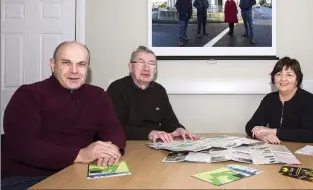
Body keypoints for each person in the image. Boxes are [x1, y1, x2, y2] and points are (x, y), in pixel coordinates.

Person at [1, 41, 126, 190]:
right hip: (29, 177)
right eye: (66, 63)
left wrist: (111, 149)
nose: (74, 71)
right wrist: (80, 155)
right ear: (53, 64)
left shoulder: (98, 95)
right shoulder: (28, 94)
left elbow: (113, 129)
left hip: (78, 172)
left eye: (81, 64)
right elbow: (23, 146)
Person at [106, 46, 200, 142]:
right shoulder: (117, 89)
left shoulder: (159, 90)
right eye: (141, 62)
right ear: (131, 67)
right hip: (127, 144)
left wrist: (179, 129)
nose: (146, 68)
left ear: (155, 70)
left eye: (151, 64)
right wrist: (149, 133)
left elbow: (170, 121)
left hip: (154, 143)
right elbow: (113, 127)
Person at [245, 57, 313, 144]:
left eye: (289, 75)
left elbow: (311, 134)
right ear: (273, 78)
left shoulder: (307, 99)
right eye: (279, 74)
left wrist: (272, 131)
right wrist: (261, 135)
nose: (283, 79)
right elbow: (250, 126)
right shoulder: (269, 99)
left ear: (297, 79)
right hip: (275, 149)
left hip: (299, 150)